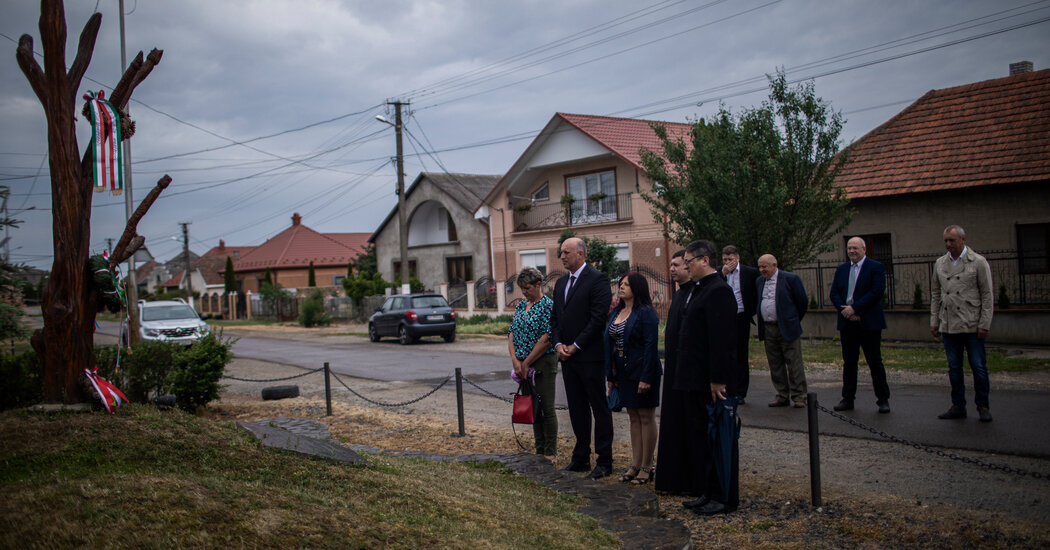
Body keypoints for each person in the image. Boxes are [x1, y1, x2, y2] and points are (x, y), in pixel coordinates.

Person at [676, 240, 742, 515]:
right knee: (702, 439)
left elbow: (722, 341)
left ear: (704, 260)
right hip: (694, 378)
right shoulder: (699, 289)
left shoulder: (719, 291)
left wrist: (718, 378)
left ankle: (723, 496)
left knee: (717, 440)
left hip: (711, 381)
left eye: (689, 261)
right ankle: (707, 491)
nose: (686, 266)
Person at [550, 237, 615, 479]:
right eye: (561, 252)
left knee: (599, 407)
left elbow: (598, 318)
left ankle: (604, 460)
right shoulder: (561, 283)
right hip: (567, 358)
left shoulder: (597, 280)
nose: (562, 256)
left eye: (566, 252)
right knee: (577, 408)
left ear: (580, 253)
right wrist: (558, 344)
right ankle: (580, 457)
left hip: (589, 356)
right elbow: (555, 319)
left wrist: (576, 345)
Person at [931, 225, 994, 423]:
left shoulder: (978, 262)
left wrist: (985, 323)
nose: (948, 244)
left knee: (978, 367)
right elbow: (935, 294)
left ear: (962, 240)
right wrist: (934, 321)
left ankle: (983, 406)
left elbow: (987, 294)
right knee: (954, 368)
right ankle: (958, 405)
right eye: (946, 241)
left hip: (971, 322)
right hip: (949, 324)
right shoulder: (940, 263)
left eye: (952, 240)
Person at [604, 272, 662, 485]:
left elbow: (650, 347)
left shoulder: (646, 313)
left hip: (644, 372)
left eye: (626, 284)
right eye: (621, 283)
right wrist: (611, 376)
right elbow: (610, 344)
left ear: (637, 288)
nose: (621, 287)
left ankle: (647, 466)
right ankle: (635, 464)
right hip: (623, 373)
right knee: (633, 418)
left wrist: (646, 378)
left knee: (646, 417)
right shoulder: (617, 311)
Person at [829, 237, 891, 414]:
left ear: (864, 249)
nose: (852, 251)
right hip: (847, 323)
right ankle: (847, 398)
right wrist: (845, 311)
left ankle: (883, 399)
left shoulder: (875, 267)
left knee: (875, 362)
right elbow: (834, 293)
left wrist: (856, 308)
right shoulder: (841, 269)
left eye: (855, 248)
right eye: (849, 248)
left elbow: (876, 292)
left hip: (868, 322)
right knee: (849, 363)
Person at [508, 266, 558, 462]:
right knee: (534, 407)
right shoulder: (521, 306)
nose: (524, 292)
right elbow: (512, 333)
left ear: (538, 285)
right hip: (522, 364)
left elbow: (546, 338)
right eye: (521, 288)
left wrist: (527, 362)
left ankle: (550, 451)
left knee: (546, 407)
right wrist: (516, 361)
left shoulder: (548, 306)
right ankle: (539, 449)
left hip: (542, 362)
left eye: (527, 288)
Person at [655, 250, 695, 495]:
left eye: (677, 265)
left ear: (689, 267)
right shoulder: (679, 294)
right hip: (673, 368)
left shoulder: (695, 293)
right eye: (670, 265)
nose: (671, 269)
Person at [756, 254, 809, 408]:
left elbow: (802, 302)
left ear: (774, 265)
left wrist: (792, 319)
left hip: (787, 327)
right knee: (775, 364)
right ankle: (782, 395)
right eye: (760, 267)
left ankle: (799, 395)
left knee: (794, 363)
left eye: (765, 266)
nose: (762, 270)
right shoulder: (759, 281)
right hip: (768, 328)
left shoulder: (790, 279)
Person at [720, 245, 759, 404]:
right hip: (724, 318)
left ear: (737, 258)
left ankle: (740, 392)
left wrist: (751, 311)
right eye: (725, 259)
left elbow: (756, 292)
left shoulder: (749, 272)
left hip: (741, 316)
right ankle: (728, 388)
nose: (727, 262)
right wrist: (723, 274)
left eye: (730, 259)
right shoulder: (719, 273)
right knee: (726, 354)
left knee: (741, 355)